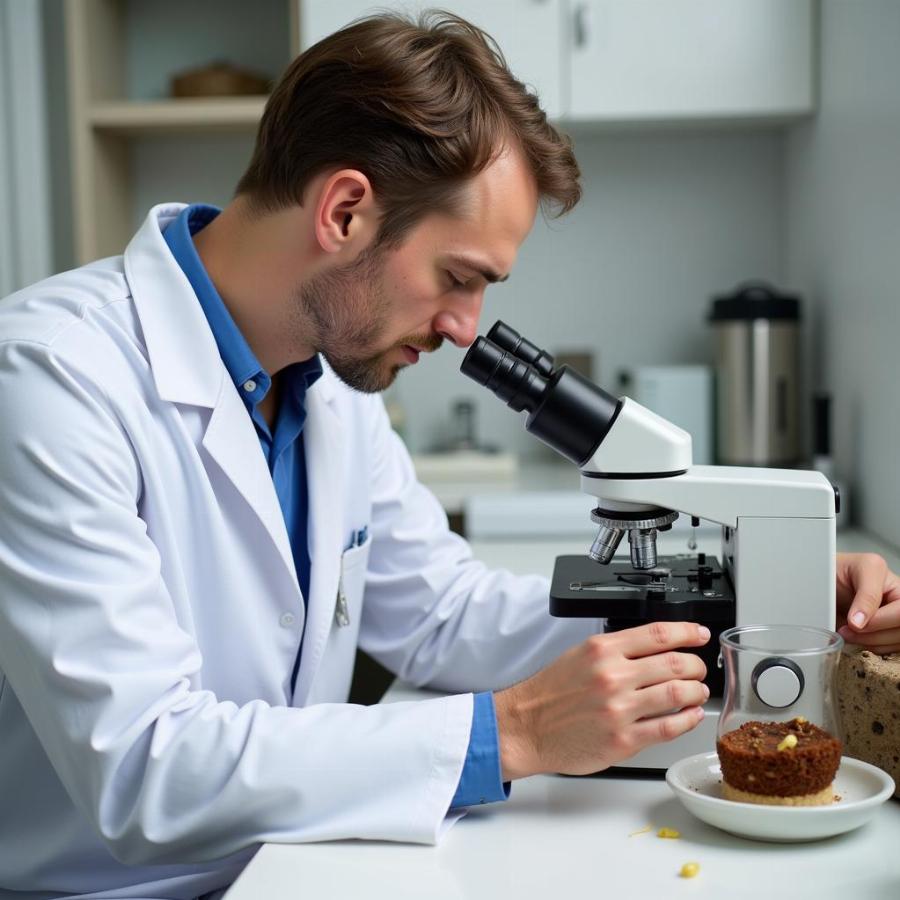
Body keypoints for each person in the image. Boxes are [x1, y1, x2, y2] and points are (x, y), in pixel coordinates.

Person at [0, 11, 897, 900]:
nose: (465, 328)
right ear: (345, 210)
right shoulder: (52, 379)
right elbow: (143, 766)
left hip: (294, 859)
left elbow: (439, 616)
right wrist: (508, 735)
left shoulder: (327, 388)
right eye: (458, 277)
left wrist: (764, 591)